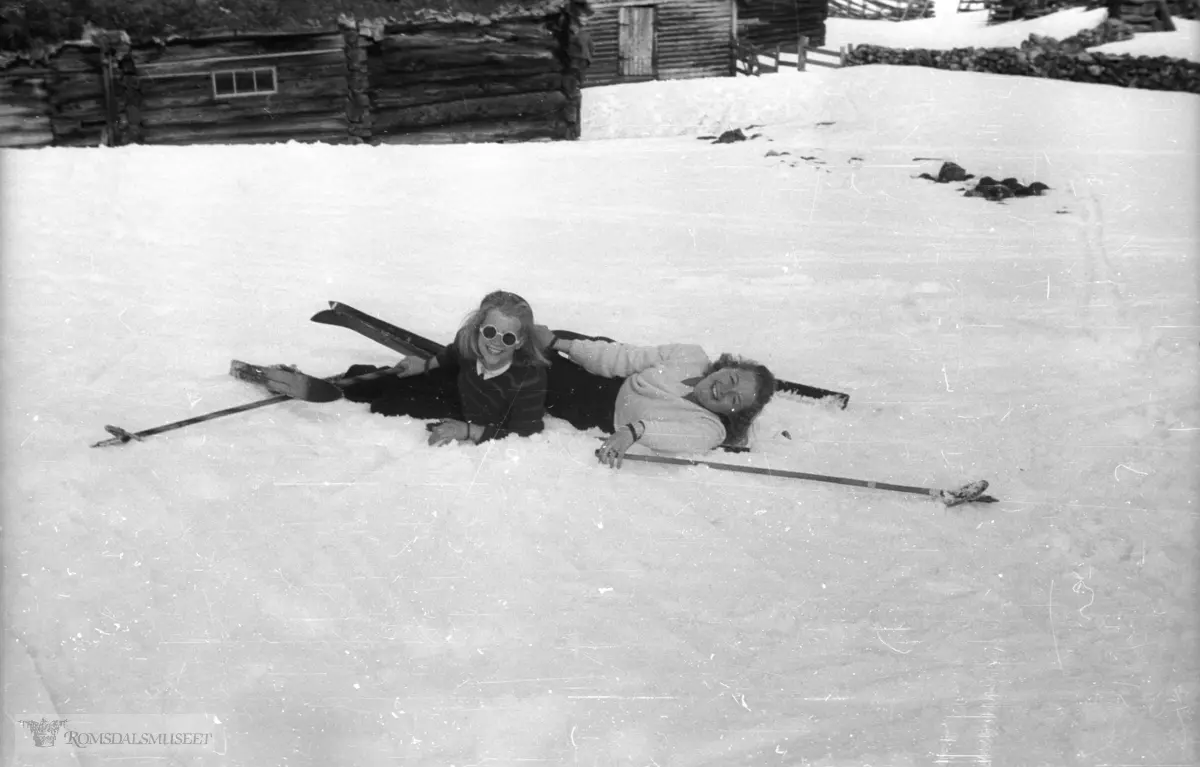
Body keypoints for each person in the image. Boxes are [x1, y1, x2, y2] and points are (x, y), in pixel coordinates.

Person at [530, 326, 777, 468]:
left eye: (734, 400)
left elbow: (672, 436)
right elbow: (627, 358)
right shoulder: (692, 356)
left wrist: (634, 431)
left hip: (603, 408)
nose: (724, 390)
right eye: (732, 379)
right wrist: (560, 343)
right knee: (556, 341)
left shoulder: (711, 429)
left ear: (734, 414)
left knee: (540, 369)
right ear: (727, 366)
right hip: (617, 376)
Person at [338, 291, 550, 447]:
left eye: (508, 337)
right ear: (478, 328)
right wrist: (426, 365)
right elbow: (453, 353)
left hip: (470, 412)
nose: (496, 342)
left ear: (520, 342)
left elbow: (525, 434)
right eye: (490, 331)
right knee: (391, 380)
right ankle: (340, 383)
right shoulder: (469, 343)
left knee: (385, 406)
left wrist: (468, 431)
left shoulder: (529, 379)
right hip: (460, 384)